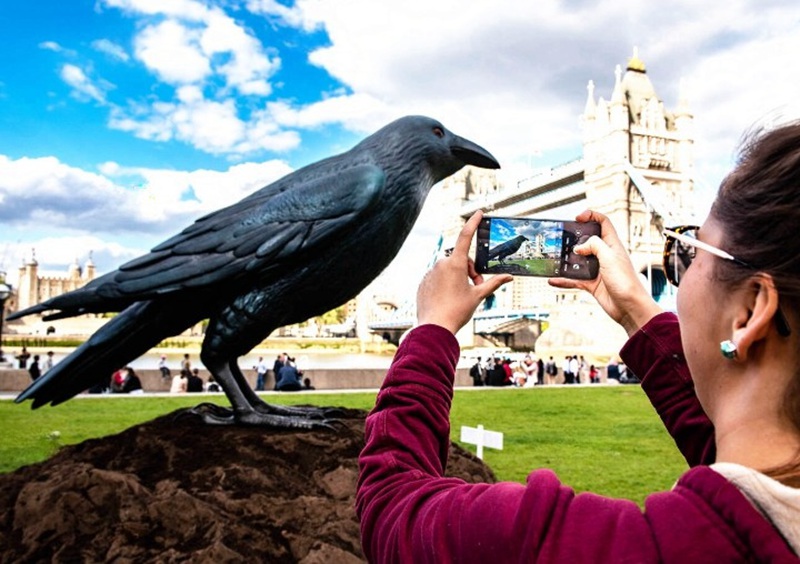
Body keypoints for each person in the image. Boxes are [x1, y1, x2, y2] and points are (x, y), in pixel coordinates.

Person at [358, 138, 800, 561]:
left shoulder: (582, 547)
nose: (676, 270)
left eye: (687, 253)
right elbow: (724, 446)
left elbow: (391, 506)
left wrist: (433, 328)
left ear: (750, 313)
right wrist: (635, 312)